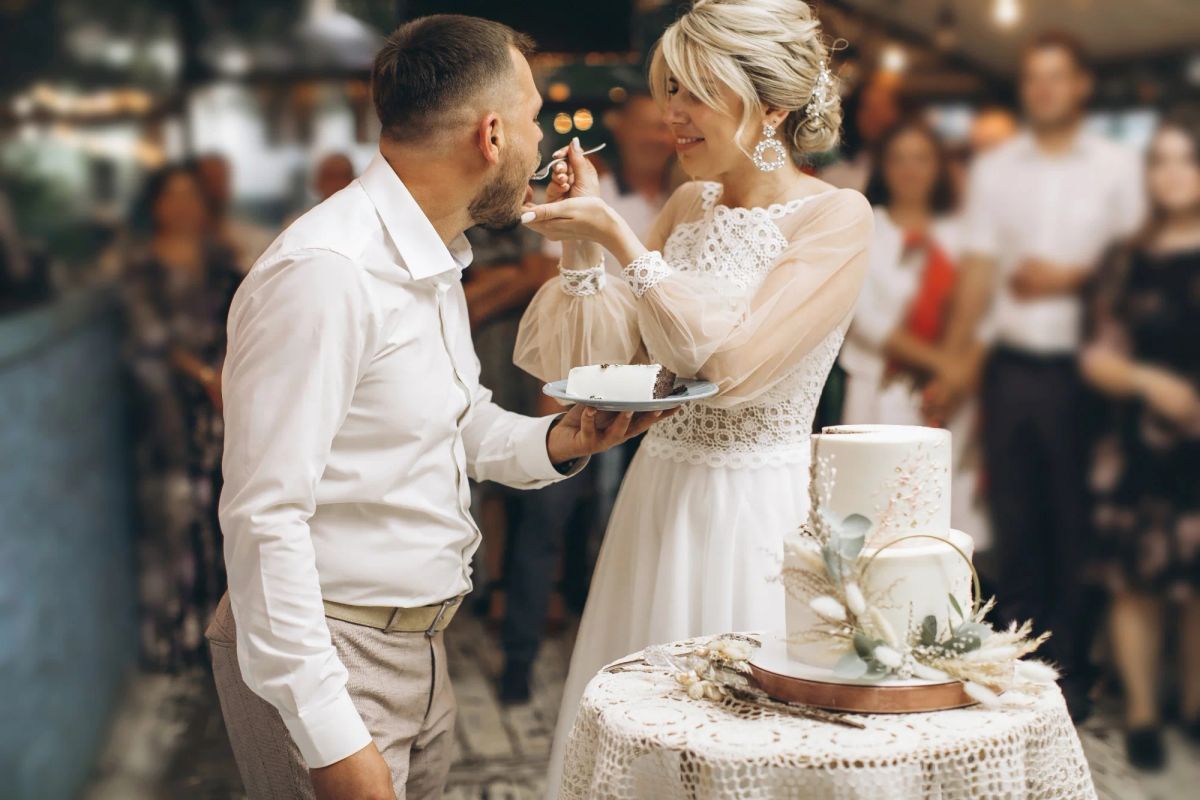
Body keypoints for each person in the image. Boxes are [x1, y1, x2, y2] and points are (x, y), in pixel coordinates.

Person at [205, 16, 670, 800]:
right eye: (533, 119)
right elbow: (263, 518)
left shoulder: (433, 255)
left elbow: (458, 421)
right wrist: (330, 734)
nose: (542, 140)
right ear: (492, 135)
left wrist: (562, 438)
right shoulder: (326, 274)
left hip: (421, 648)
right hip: (328, 656)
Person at [516, 1, 872, 794]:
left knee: (739, 740)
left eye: (695, 92)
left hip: (754, 510)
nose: (671, 114)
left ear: (770, 106)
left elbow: (734, 370)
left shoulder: (835, 217)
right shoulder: (686, 205)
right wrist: (582, 248)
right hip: (658, 493)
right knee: (647, 732)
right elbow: (625, 362)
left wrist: (620, 236)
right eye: (668, 90)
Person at [936, 32, 1146, 719]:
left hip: (1087, 373)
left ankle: (1073, 673)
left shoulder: (1116, 167)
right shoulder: (999, 171)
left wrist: (1073, 277)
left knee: (1076, 524)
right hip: (1009, 369)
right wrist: (955, 366)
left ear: (1081, 85)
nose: (1045, 89)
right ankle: (1023, 669)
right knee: (1016, 519)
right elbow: (977, 271)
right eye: (1033, 78)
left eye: (1057, 76)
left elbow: (1142, 263)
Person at [494, 90, 679, 704]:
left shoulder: (681, 200)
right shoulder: (594, 189)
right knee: (547, 515)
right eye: (648, 125)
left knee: (615, 522)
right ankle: (518, 659)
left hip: (659, 390)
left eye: (664, 127)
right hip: (582, 373)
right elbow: (559, 286)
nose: (658, 136)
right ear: (620, 127)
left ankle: (604, 650)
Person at [1081, 107, 1200, 770]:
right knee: (1136, 581)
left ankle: (1194, 709)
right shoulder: (1125, 260)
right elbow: (1095, 356)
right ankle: (1146, 716)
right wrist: (1150, 384)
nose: (1173, 173)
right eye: (1162, 160)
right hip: (1137, 442)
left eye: (1188, 159)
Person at [838, 118, 989, 542]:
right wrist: (944, 364)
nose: (910, 169)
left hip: (952, 398)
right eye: (898, 159)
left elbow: (988, 313)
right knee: (874, 513)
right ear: (882, 167)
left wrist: (958, 373)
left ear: (938, 166)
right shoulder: (864, 226)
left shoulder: (962, 233)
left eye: (921, 158)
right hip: (879, 391)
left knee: (946, 518)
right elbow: (862, 316)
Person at [119, 163, 241, 670]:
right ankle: (178, 642)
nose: (183, 205)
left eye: (191, 195)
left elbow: (244, 317)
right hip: (167, 410)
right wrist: (207, 376)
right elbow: (150, 335)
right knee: (173, 519)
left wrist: (227, 373)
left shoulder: (221, 259)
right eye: (172, 195)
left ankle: (224, 635)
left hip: (222, 407)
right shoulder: (140, 267)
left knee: (223, 514)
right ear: (155, 206)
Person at [819, 71, 903, 192]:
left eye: (883, 107)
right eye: (867, 107)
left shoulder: (914, 171)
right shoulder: (835, 174)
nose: (875, 116)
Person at [195, 152, 277, 273]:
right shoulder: (185, 240)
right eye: (209, 180)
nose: (216, 188)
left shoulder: (238, 232)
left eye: (222, 180)